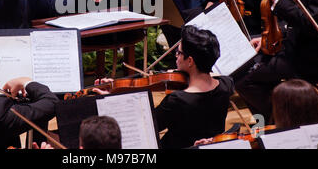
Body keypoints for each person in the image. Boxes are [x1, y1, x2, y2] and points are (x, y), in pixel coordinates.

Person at [94, 25, 234, 149]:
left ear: (190, 61)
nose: (176, 57)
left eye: (179, 53)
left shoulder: (177, 101)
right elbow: (213, 79)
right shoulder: (226, 85)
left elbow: (146, 127)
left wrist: (113, 96)